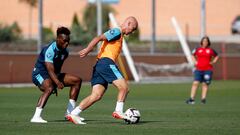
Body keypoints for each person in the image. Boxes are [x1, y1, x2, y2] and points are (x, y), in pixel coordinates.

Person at [66, 16, 138, 124]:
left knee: (96, 95)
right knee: (124, 88)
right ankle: (118, 111)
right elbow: (99, 37)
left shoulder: (120, 35)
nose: (131, 32)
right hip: (106, 63)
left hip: (99, 64)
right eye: (132, 29)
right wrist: (88, 49)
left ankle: (74, 113)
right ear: (128, 23)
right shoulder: (117, 31)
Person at [30, 27, 83, 123]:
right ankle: (36, 117)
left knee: (77, 80)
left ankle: (69, 113)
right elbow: (49, 69)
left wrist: (55, 80)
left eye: (68, 41)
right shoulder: (49, 50)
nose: (66, 43)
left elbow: (56, 69)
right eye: (64, 41)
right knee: (49, 88)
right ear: (58, 39)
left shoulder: (65, 52)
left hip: (53, 74)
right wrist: (56, 82)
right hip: (39, 73)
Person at [186, 36, 219, 104]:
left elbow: (217, 55)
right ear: (201, 42)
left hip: (208, 69)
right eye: (204, 41)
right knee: (195, 83)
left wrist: (213, 62)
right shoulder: (197, 49)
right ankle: (192, 99)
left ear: (208, 42)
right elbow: (192, 54)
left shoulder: (210, 50)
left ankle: (203, 99)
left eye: (206, 41)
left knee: (205, 84)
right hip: (198, 69)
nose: (205, 42)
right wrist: (195, 61)